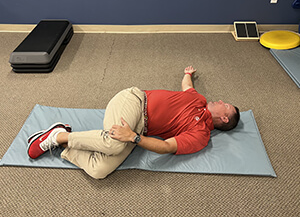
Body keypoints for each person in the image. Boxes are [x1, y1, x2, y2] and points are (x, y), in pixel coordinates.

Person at [27, 66, 240, 179]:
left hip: (137, 128)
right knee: (114, 144)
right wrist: (187, 74)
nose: (220, 100)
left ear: (224, 118)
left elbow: (166, 147)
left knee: (99, 171)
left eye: (225, 105)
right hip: (134, 101)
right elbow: (187, 86)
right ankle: (56, 136)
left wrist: (134, 137)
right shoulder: (199, 99)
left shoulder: (201, 136)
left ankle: (64, 142)